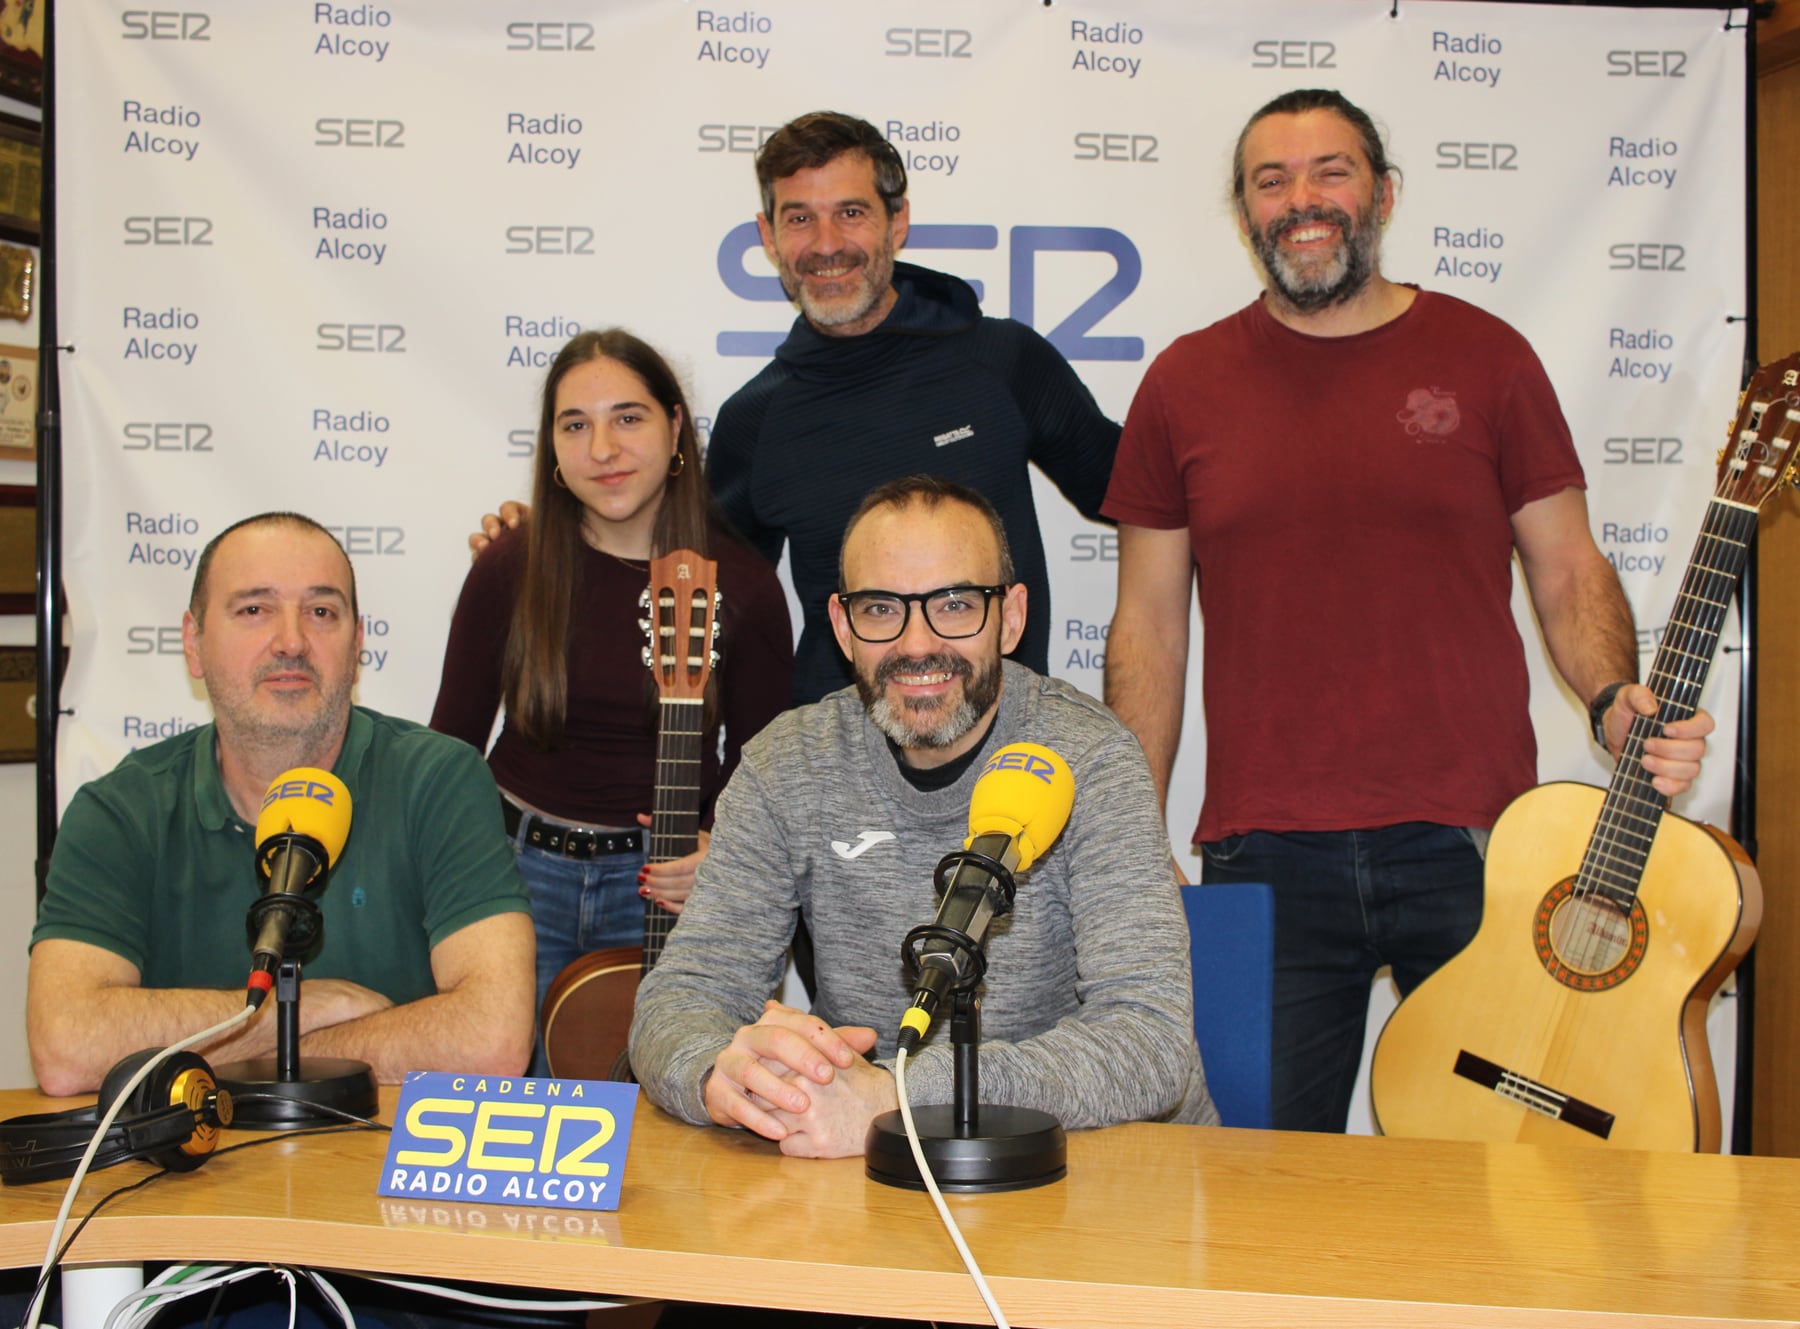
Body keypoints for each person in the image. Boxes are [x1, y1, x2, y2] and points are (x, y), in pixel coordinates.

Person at [1100, 88, 1715, 1135]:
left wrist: (1613, 695)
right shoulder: (1183, 383)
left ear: (1382, 193)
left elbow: (1567, 569)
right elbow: (1147, 629)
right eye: (1271, 180)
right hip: (1265, 851)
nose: (1303, 200)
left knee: (1501, 1169)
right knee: (1256, 1178)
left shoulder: (1489, 357)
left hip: (1476, 844)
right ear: (1244, 213)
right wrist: (1126, 831)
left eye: (1330, 172)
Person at [628, 476, 1215, 1159]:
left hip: (1105, 1169)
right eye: (881, 608)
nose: (916, 644)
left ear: (1012, 617)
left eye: (956, 604)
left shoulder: (1092, 756)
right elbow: (682, 994)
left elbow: (1150, 1041)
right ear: (843, 627)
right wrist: (720, 1072)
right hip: (870, 1160)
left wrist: (897, 1093)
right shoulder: (786, 765)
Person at [474, 110, 1120, 707]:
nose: (826, 243)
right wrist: (550, 536)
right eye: (800, 218)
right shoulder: (756, 420)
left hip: (1002, 750)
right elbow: (679, 579)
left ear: (897, 222)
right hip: (834, 777)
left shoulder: (1003, 362)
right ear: (769, 236)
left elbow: (1134, 491)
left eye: (851, 212)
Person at [28, 513, 535, 1096]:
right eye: (254, 610)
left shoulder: (438, 779)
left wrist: (236, 1061)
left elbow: (492, 1039)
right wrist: (299, 1011)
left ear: (358, 643)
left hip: (380, 1164)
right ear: (194, 645)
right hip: (197, 1176)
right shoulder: (120, 809)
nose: (292, 641)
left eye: (322, 612)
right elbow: (66, 1047)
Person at [430, 329, 791, 1059]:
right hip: (512, 875)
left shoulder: (744, 585)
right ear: (553, 449)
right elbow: (448, 751)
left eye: (628, 417)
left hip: (662, 886)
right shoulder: (511, 566)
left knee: (670, 1107)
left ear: (677, 428)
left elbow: (766, 770)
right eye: (575, 424)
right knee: (510, 1108)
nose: (602, 448)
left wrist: (720, 850)